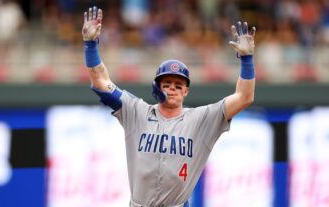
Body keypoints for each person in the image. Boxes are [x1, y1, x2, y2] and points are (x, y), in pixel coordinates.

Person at [82, 6, 256, 207]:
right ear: (157, 87)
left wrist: (247, 60)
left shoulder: (202, 119)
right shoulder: (136, 111)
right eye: (166, 84)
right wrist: (90, 45)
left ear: (186, 91)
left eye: (178, 85)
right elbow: (100, 82)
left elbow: (244, 97)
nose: (172, 89)